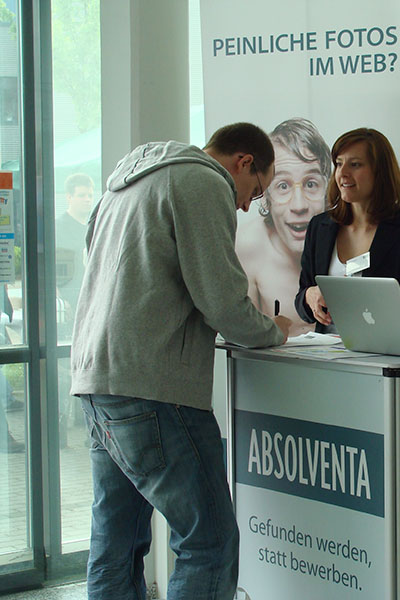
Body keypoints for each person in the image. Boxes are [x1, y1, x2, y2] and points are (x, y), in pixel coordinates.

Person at [70, 122, 292, 600]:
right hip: (154, 386)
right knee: (209, 541)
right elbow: (222, 301)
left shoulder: (126, 183)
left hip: (97, 380)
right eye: (256, 191)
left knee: (116, 541)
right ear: (244, 162)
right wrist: (274, 330)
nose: (246, 206)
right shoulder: (203, 182)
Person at [295, 128, 400, 332]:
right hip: (326, 348)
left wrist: (372, 308)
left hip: (384, 348)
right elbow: (302, 301)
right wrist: (309, 296)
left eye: (355, 164)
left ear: (380, 172)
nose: (342, 173)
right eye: (339, 164)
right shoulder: (320, 227)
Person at [236, 118, 330, 336]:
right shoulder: (248, 245)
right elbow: (243, 337)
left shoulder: (346, 238)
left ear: (327, 190)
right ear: (265, 195)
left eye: (311, 184)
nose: (299, 205)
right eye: (283, 186)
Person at [55, 173, 95, 448]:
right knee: (65, 369)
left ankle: (85, 424)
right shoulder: (60, 228)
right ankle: (60, 428)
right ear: (69, 197)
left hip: (90, 304)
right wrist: (61, 298)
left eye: (89, 195)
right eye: (81, 195)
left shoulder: (93, 225)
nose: (87, 200)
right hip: (69, 308)